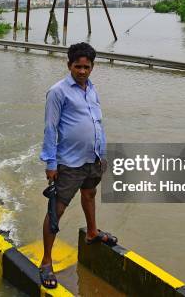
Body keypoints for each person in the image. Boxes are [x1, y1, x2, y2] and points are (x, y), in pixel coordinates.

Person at [38, 42, 115, 289]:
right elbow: (50, 128)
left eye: (87, 67)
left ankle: (92, 232)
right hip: (69, 162)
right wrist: (50, 162)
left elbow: (96, 122)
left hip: (93, 158)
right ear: (69, 65)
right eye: (77, 66)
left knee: (90, 194)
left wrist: (102, 153)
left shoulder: (92, 89)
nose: (82, 71)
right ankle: (46, 261)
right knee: (56, 210)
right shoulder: (58, 92)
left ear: (92, 67)